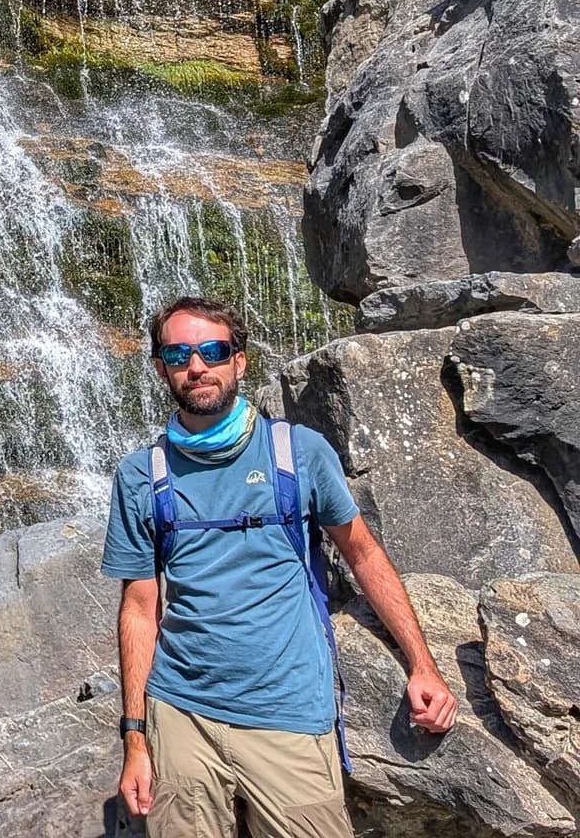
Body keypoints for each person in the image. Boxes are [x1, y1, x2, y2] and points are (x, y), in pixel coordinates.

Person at [102, 295, 459, 838]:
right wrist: (135, 739)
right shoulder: (139, 475)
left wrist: (422, 665)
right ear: (161, 368)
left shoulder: (298, 453)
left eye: (213, 350)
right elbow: (139, 609)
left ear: (239, 361)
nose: (196, 366)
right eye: (178, 355)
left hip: (290, 711)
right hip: (180, 715)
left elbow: (363, 554)